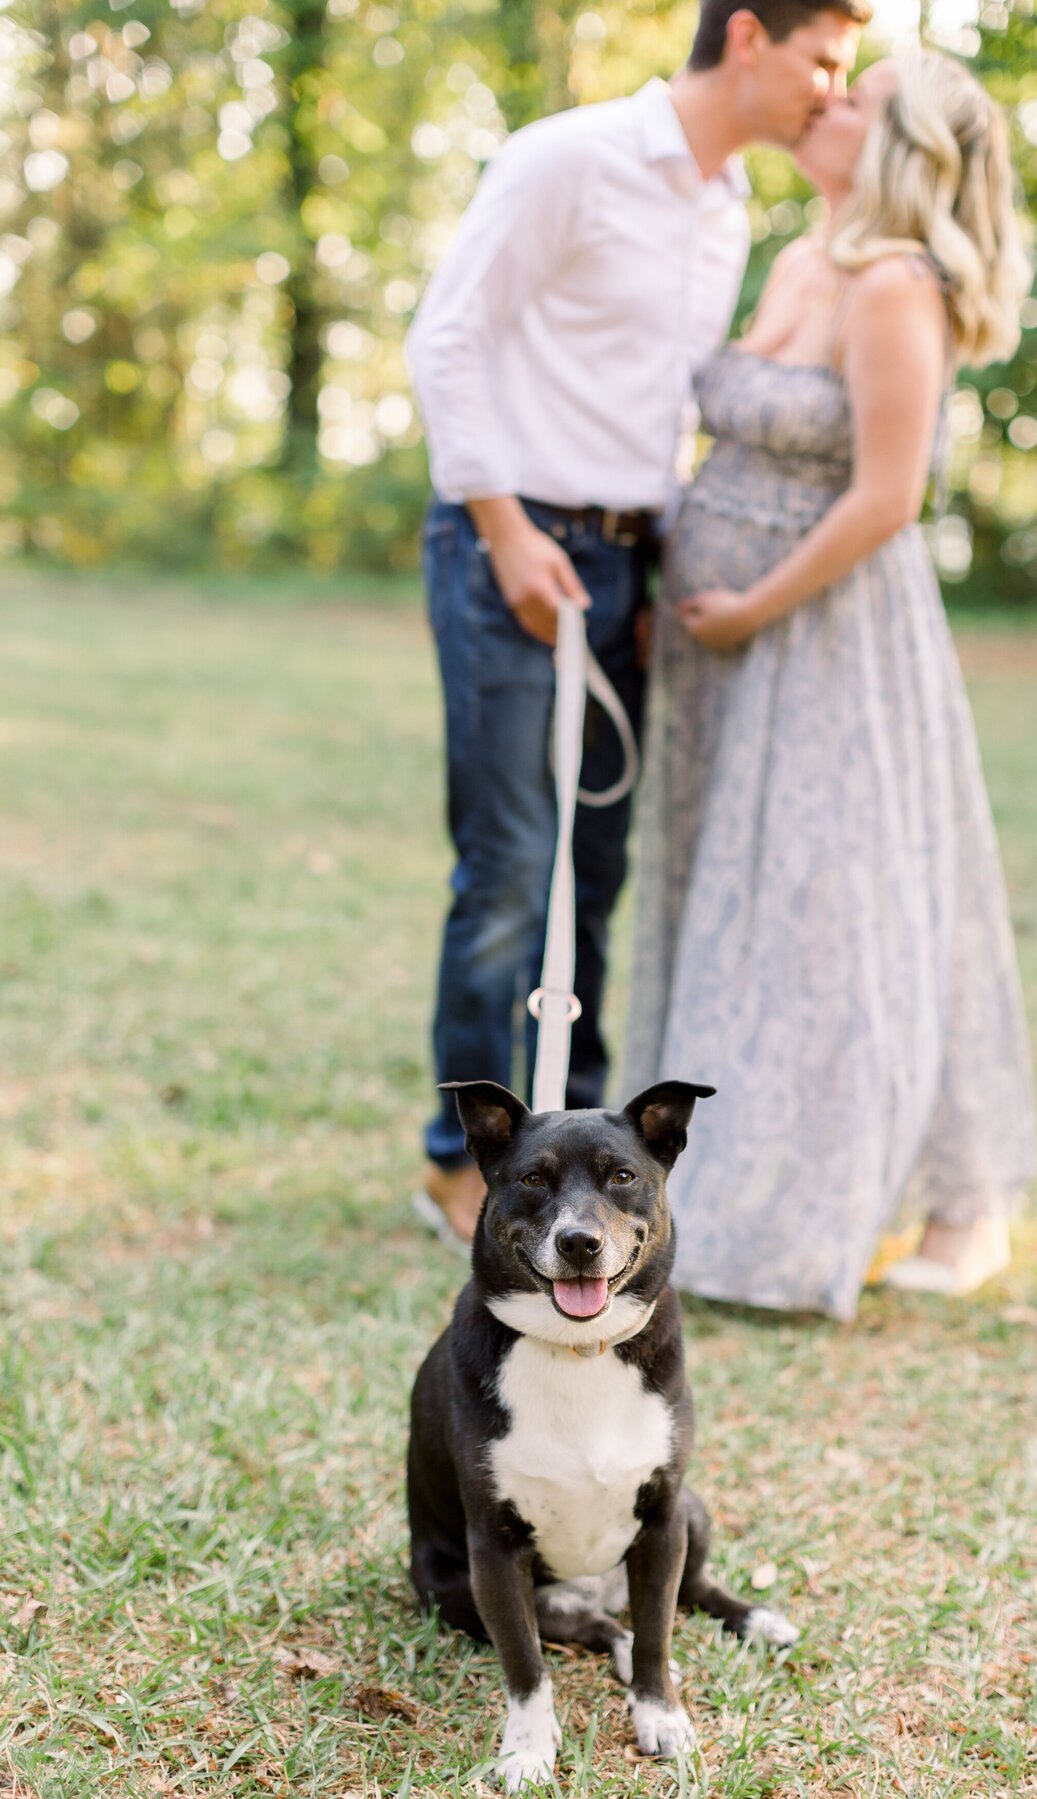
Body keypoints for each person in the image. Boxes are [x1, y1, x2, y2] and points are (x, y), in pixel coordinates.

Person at [406, 0, 868, 1244]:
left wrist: (651, 571)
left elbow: (659, 414)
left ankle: (570, 1162)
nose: (837, 86)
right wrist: (505, 530)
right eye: (826, 57)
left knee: (593, 877)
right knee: (508, 869)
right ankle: (462, 1155)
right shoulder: (568, 158)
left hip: (623, 572)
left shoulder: (724, 211)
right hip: (509, 544)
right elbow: (444, 339)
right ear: (751, 36)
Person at [622, 50, 1037, 1319]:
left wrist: (749, 601)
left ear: (900, 145)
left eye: (857, 97)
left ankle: (912, 1202)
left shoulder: (896, 285)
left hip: (824, 632)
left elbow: (886, 497)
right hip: (719, 641)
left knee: (830, 906)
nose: (827, 100)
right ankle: (720, 1168)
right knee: (733, 900)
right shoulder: (801, 257)